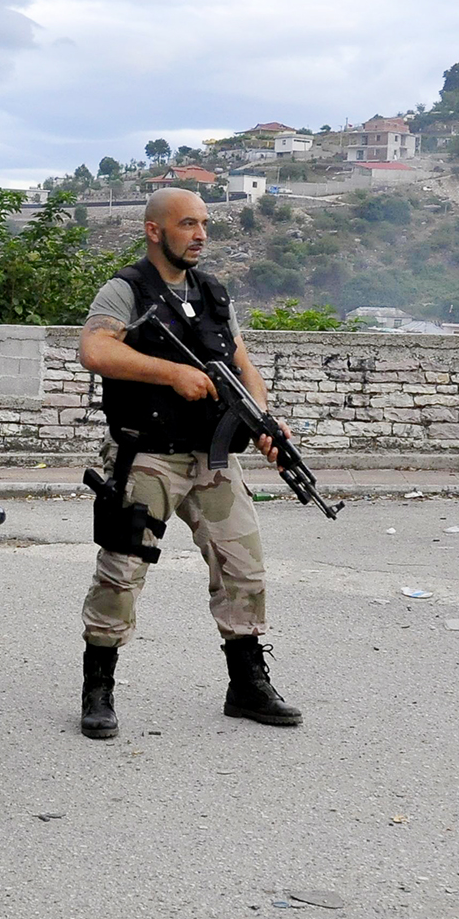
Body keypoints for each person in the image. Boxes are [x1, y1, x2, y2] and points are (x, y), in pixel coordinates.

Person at [74, 187, 302, 740]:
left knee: (243, 569)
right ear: (155, 231)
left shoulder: (214, 293)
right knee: (123, 572)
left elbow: (243, 365)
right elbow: (95, 350)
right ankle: (98, 689)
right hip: (149, 452)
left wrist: (264, 421)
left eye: (204, 224)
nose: (201, 235)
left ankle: (246, 684)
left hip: (213, 456)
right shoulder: (126, 289)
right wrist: (170, 373)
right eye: (187, 225)